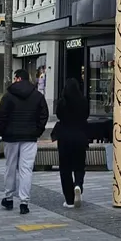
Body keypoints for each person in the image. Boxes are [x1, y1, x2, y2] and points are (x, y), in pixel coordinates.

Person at [0, 68, 48, 214]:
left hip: (11, 137)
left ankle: (8, 197)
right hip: (30, 137)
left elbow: (1, 115)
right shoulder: (37, 96)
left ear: (18, 78)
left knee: (10, 167)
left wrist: (3, 132)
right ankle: (24, 202)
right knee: (26, 169)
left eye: (15, 78)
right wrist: (37, 131)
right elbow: (44, 115)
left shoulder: (8, 96)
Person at [54, 77, 89, 208]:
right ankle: (78, 185)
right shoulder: (83, 101)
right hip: (80, 135)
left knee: (65, 168)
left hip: (64, 137)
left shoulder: (62, 102)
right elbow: (86, 115)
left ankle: (69, 199)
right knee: (79, 165)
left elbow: (58, 115)